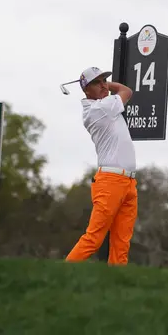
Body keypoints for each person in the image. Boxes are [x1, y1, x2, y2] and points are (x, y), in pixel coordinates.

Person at [65, 66, 138, 265]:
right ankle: (62, 274)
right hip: (110, 182)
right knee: (93, 238)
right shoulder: (99, 108)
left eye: (104, 80)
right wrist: (110, 87)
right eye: (97, 83)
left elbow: (120, 92)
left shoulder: (104, 105)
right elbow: (127, 91)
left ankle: (115, 287)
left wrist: (103, 85)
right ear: (86, 90)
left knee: (121, 243)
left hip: (128, 182)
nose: (104, 85)